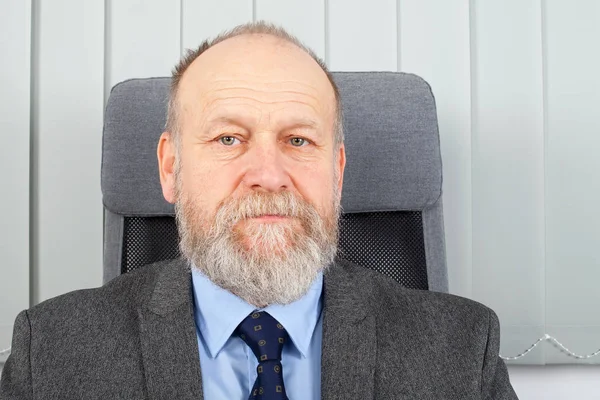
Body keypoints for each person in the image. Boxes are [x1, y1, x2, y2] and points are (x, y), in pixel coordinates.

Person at [0, 22, 518, 399]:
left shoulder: (461, 355)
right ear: (169, 167)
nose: (269, 175)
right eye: (229, 138)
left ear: (336, 173)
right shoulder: (51, 356)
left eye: (298, 139)